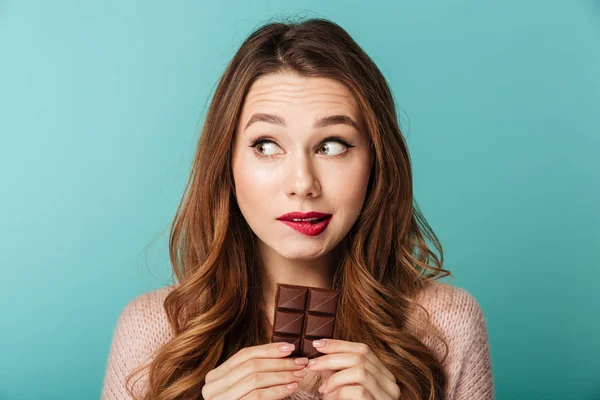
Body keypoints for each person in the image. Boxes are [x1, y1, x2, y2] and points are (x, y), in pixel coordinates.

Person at [100, 16, 494, 400]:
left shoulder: (446, 326)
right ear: (227, 163)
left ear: (376, 162)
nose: (303, 183)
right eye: (266, 145)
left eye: (332, 145)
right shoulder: (154, 332)